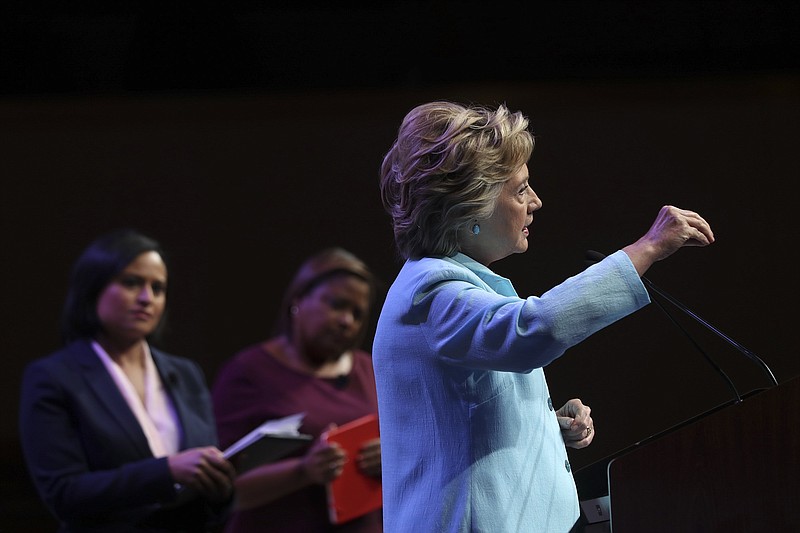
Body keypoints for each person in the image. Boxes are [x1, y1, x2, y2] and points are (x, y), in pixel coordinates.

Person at [373, 101, 715, 532]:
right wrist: (646, 249)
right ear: (469, 208)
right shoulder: (430, 294)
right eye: (520, 190)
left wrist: (544, 425)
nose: (536, 202)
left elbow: (461, 419)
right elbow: (532, 330)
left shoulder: (456, 289)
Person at [19, 229, 236, 532]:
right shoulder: (54, 377)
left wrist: (222, 490)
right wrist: (166, 471)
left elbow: (206, 484)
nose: (147, 298)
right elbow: (63, 493)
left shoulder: (186, 373)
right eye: (132, 283)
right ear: (92, 288)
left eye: (158, 288)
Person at [212, 247, 383, 532]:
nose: (347, 321)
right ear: (298, 301)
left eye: (357, 313)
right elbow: (220, 488)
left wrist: (393, 457)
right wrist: (304, 471)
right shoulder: (250, 372)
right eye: (337, 305)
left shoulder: (370, 370)